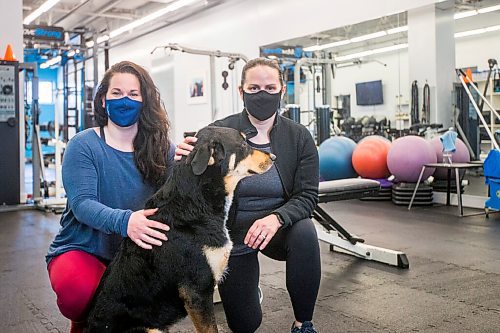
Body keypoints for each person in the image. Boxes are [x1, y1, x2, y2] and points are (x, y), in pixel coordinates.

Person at [176, 58, 321, 333]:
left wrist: (277, 218)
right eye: (253, 88)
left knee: (305, 232)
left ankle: (303, 323)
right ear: (241, 92)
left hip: (277, 228)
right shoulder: (218, 131)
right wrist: (180, 157)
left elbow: (307, 196)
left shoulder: (299, 136)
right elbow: (192, 180)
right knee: (245, 324)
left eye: (270, 87)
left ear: (281, 91)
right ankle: (250, 294)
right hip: (234, 234)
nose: (262, 94)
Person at [46, 61, 174, 333]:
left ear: (145, 100)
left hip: (138, 253)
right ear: (103, 100)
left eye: (133, 94)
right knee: (79, 293)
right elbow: (82, 205)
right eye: (116, 93)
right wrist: (127, 222)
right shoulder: (84, 144)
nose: (124, 100)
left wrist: (193, 157)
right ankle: (82, 322)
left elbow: (181, 192)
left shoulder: (163, 148)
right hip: (86, 248)